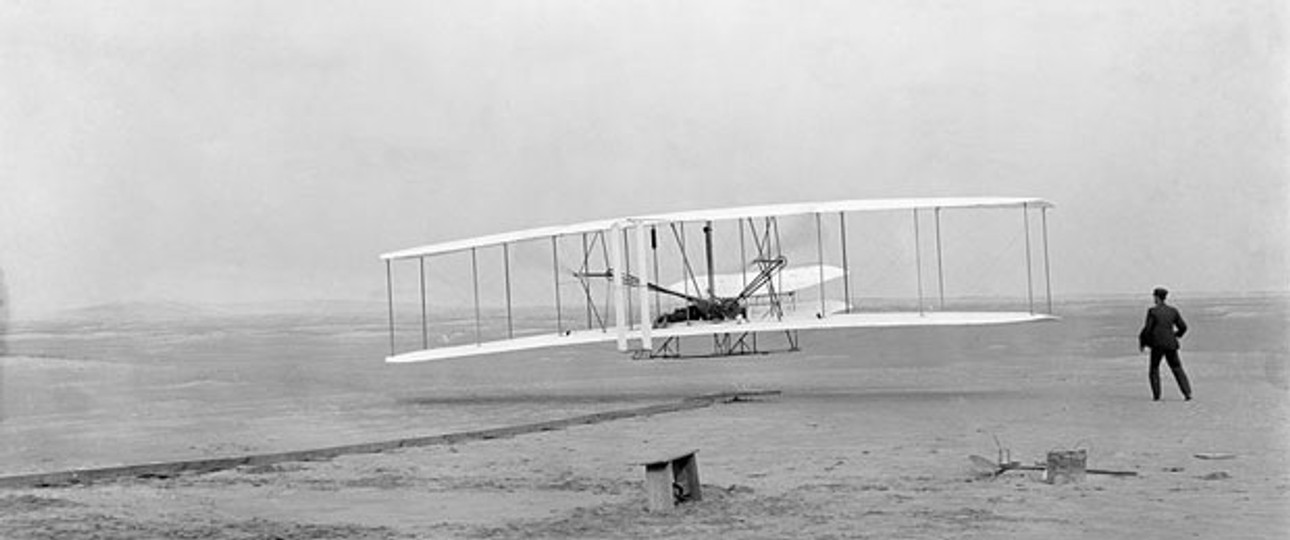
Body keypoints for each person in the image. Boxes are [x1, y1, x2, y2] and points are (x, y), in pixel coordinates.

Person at [1138, 287, 1192, 401]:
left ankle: (1157, 396)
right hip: (1171, 344)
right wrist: (1176, 335)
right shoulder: (1173, 311)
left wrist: (1143, 342)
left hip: (1157, 344)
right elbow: (1183, 327)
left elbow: (1148, 329)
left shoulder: (1152, 311)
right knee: (1177, 368)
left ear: (1157, 298)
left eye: (1154, 296)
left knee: (1154, 369)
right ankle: (1187, 393)